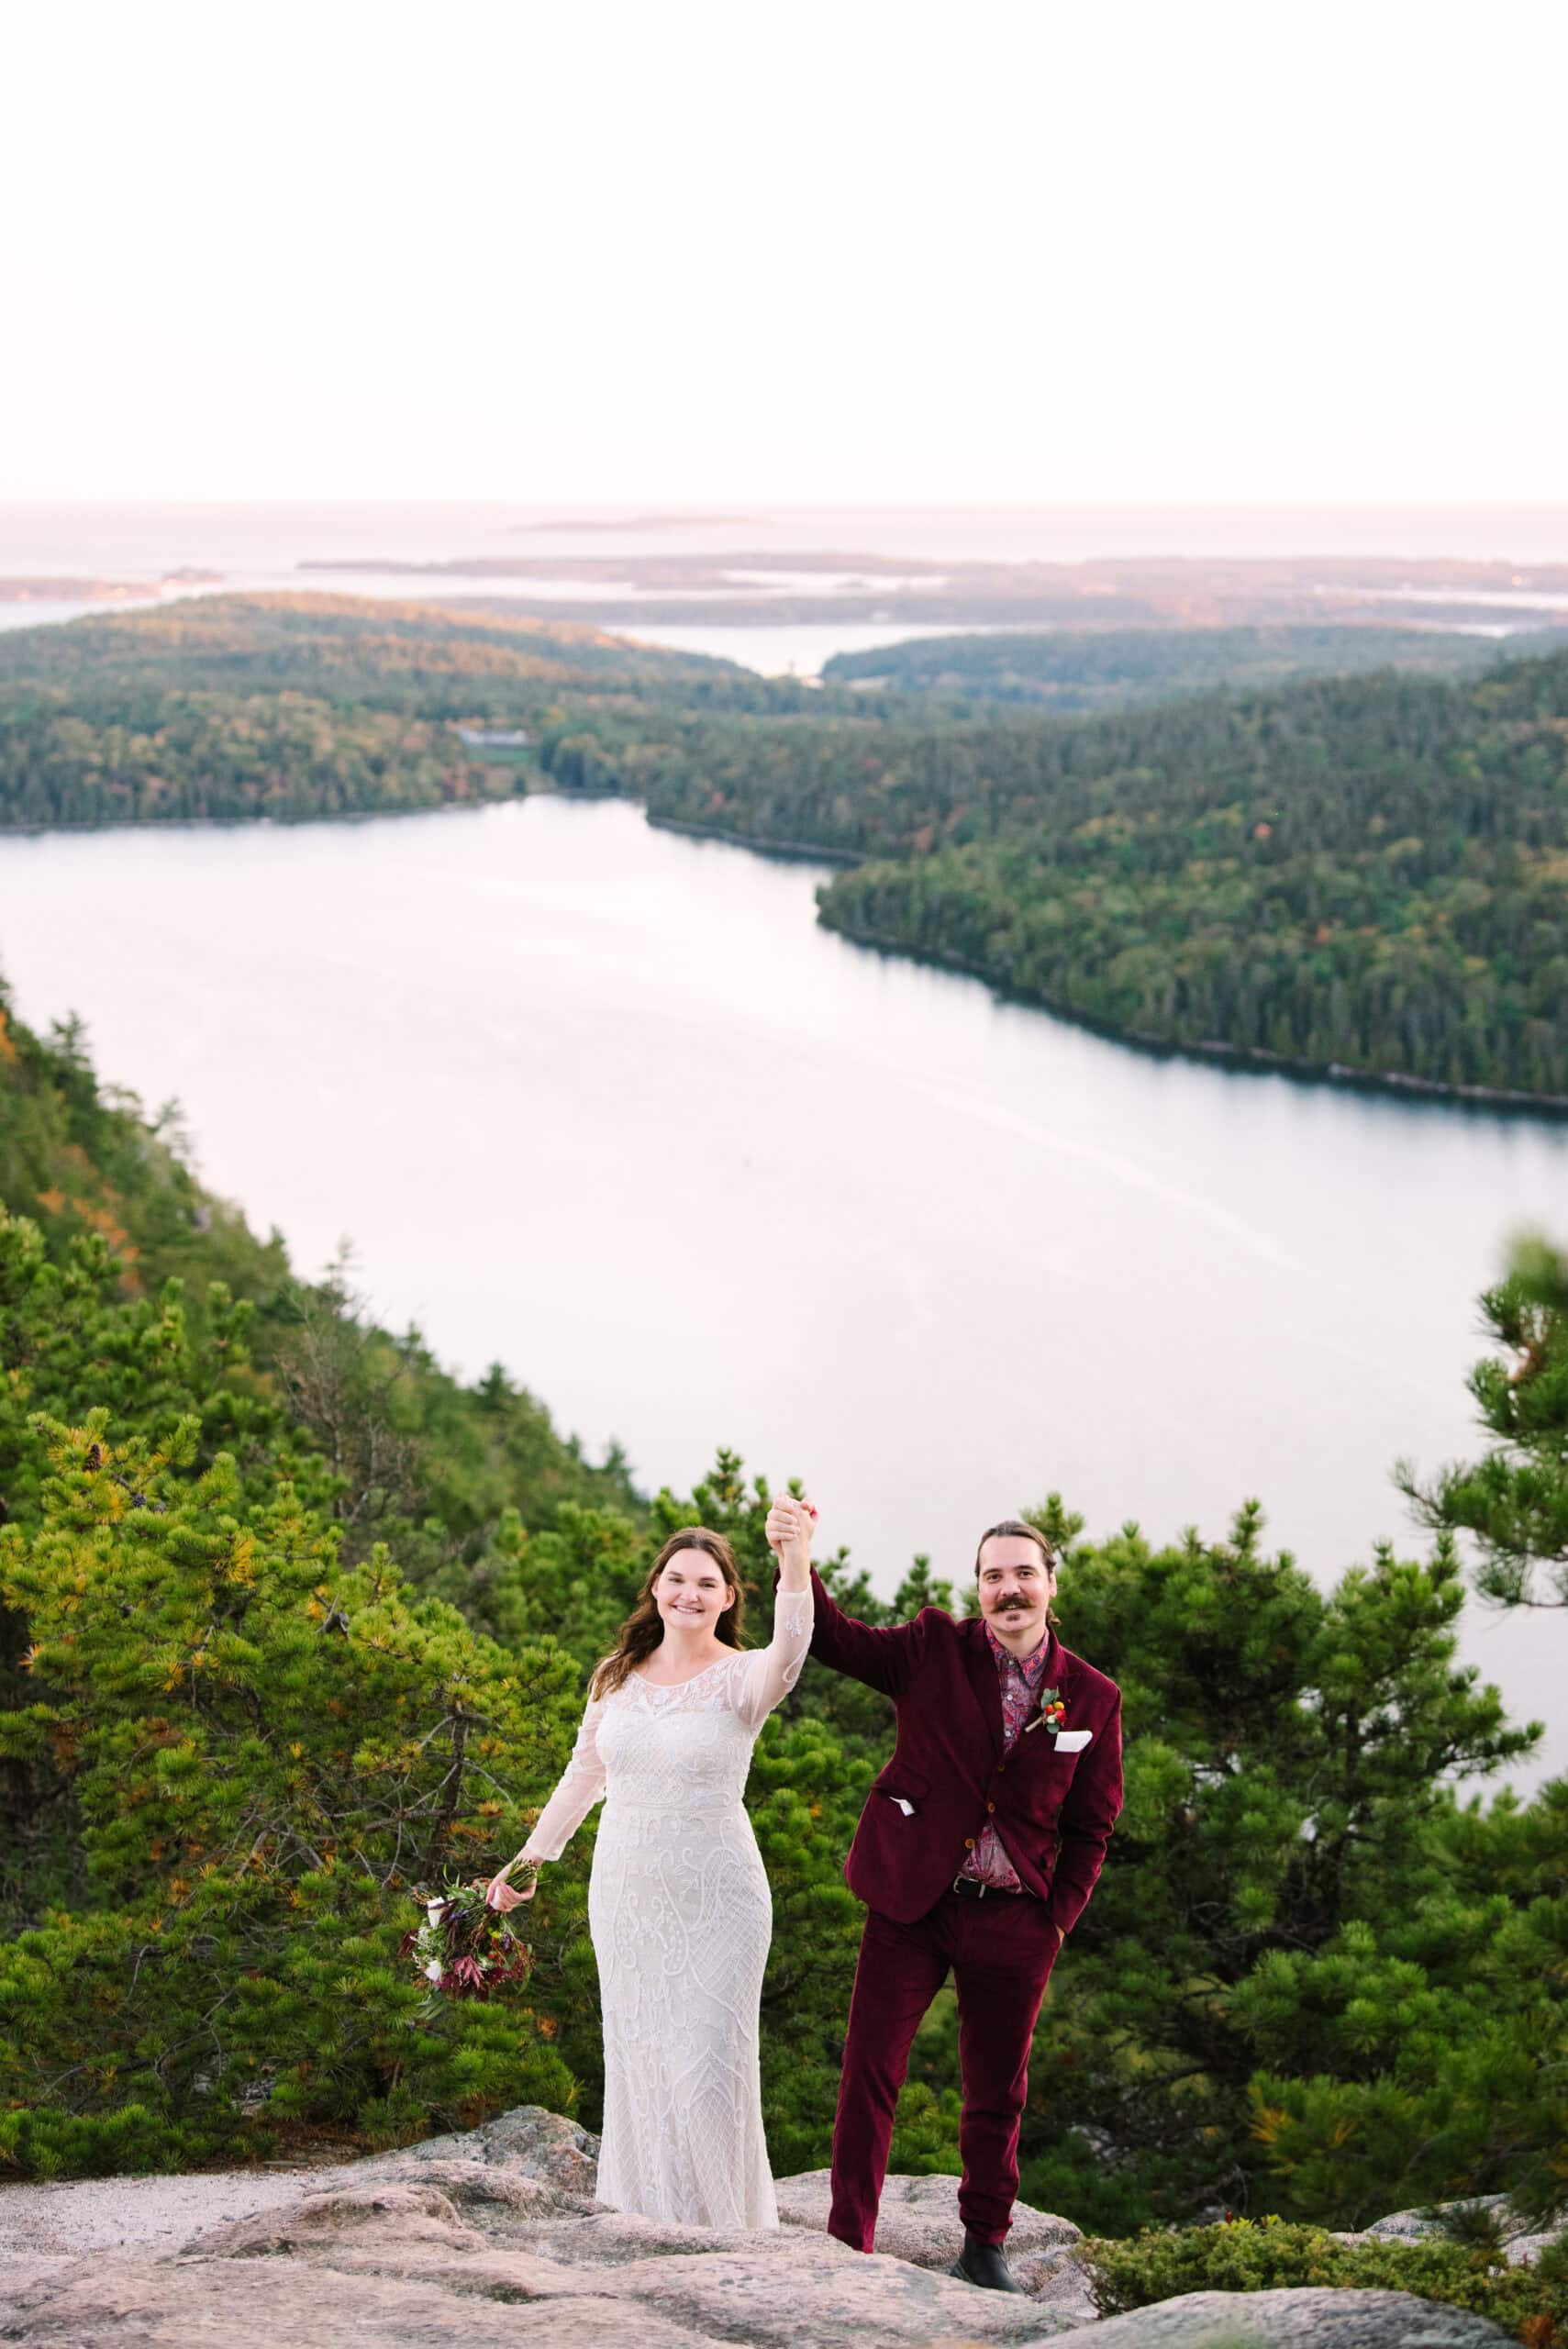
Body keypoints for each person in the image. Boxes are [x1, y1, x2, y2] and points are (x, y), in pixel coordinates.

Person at [795, 1516, 1122, 2293]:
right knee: (870, 2071)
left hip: (1015, 1919)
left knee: (996, 2090)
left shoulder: (1092, 1697)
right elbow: (832, 1637)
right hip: (911, 1902)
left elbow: (1093, 1823)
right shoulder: (930, 1648)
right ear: (977, 1588)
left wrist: (1055, 1920)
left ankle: (984, 2246)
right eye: (992, 1576)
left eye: (1022, 1574)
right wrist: (794, 1557)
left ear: (1050, 1583)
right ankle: (850, 2242)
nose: (1008, 1589)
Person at [484, 1502, 815, 2230]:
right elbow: (582, 1776)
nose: (688, 1594)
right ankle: (646, 2217)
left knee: (707, 2064)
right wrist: (530, 1859)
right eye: (675, 1579)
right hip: (627, 1890)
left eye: (705, 1583)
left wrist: (795, 1555)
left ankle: (725, 2229)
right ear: (655, 1588)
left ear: (728, 1597)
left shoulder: (746, 1678)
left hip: (718, 1895)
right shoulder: (616, 1675)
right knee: (641, 2056)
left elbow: (792, 1648)